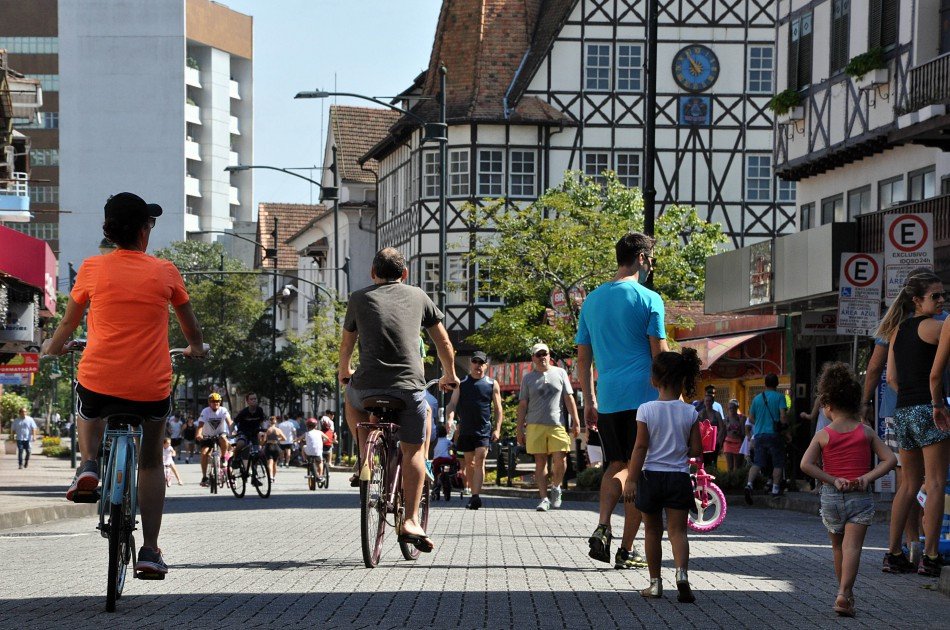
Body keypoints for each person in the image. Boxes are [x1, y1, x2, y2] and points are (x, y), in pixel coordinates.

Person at [42, 191, 207, 577]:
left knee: (87, 400)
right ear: (143, 230)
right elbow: (190, 326)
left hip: (100, 383)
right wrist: (196, 347)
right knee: (150, 461)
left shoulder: (91, 269)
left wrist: (53, 347)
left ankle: (88, 464)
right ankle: (149, 550)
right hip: (150, 388)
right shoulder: (165, 271)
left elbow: (67, 324)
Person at [338, 247, 459, 553]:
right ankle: (411, 520)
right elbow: (443, 341)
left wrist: (344, 371)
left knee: (350, 398)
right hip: (408, 388)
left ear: (372, 274)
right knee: (414, 452)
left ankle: (364, 452)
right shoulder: (419, 295)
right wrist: (450, 375)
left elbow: (347, 343)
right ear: (404, 274)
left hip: (367, 386)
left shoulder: (359, 298)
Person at [576, 231, 666, 568]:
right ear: (641, 258)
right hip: (645, 397)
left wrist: (589, 400)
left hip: (609, 398)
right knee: (637, 472)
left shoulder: (592, 300)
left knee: (615, 465)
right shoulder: (649, 298)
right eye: (650, 260)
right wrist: (677, 397)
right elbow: (660, 354)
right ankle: (627, 550)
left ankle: (603, 525)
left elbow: (583, 360)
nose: (650, 266)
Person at [800, 362, 897, 617]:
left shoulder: (823, 434)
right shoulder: (866, 432)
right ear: (856, 405)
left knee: (837, 548)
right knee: (852, 548)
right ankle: (845, 593)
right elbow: (890, 460)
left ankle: (843, 592)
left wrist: (831, 479)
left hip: (832, 497)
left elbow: (806, 464)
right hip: (860, 496)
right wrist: (867, 478)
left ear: (828, 406)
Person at [863, 268, 944, 564]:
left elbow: (891, 377)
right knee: (934, 482)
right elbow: (935, 375)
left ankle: (893, 552)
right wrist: (936, 403)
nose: (942, 300)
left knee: (907, 484)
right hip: (930, 409)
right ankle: (931, 556)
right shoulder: (939, 327)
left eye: (943, 294)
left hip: (902, 412)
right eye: (935, 296)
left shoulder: (896, 330)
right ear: (917, 300)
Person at [623, 348, 703, 603]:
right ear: (682, 380)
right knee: (678, 532)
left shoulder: (646, 410)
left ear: (655, 379)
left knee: (652, 532)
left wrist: (632, 479)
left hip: (650, 477)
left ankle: (655, 583)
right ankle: (681, 575)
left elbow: (640, 447)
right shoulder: (690, 412)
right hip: (678, 477)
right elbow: (697, 451)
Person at [516, 342, 581, 512]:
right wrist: (519, 429)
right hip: (535, 424)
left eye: (544, 353)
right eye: (538, 354)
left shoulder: (560, 372)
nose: (542, 357)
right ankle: (544, 498)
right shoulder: (528, 378)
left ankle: (556, 487)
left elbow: (569, 398)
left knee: (561, 458)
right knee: (540, 462)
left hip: (557, 423)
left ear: (549, 355)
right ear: (533, 358)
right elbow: (523, 404)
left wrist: (575, 420)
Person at [445, 351, 504, 510]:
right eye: (475, 362)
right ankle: (472, 493)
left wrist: (497, 429)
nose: (478, 365)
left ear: (486, 365)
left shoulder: (492, 384)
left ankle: (476, 496)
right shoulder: (461, 383)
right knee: (470, 463)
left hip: (483, 429)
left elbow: (498, 409)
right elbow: (452, 404)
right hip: (466, 429)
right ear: (471, 363)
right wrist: (449, 419)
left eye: (481, 363)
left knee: (480, 459)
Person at [743, 373, 788, 502]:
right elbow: (783, 416)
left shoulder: (757, 399)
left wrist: (760, 422)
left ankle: (749, 484)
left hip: (759, 435)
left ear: (765, 384)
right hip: (774, 435)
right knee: (778, 463)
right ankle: (775, 489)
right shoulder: (780, 397)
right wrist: (784, 426)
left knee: (757, 462)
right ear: (777, 384)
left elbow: (750, 418)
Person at [196, 392, 231, 487]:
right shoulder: (205, 411)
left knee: (223, 438)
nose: (215, 403)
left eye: (217, 401)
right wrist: (199, 434)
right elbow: (200, 425)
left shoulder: (223, 410)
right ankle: (204, 477)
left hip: (220, 434)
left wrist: (233, 431)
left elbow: (229, 422)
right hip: (208, 436)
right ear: (209, 402)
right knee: (204, 454)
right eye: (213, 401)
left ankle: (223, 457)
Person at [232, 392, 266, 458]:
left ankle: (256, 465)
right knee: (240, 444)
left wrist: (263, 429)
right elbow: (234, 423)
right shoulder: (243, 412)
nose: (254, 400)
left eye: (255, 398)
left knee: (258, 452)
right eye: (251, 399)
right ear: (247, 401)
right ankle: (235, 458)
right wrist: (231, 433)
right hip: (243, 432)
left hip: (254, 433)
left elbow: (261, 421)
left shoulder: (260, 410)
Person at [696, 393, 723, 470]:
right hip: (704, 442)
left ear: (712, 402)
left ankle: (714, 476)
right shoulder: (701, 413)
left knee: (714, 461)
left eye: (709, 401)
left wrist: (718, 439)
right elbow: (698, 427)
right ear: (704, 402)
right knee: (704, 461)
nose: (708, 402)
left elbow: (721, 428)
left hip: (714, 441)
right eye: (706, 401)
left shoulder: (717, 414)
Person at [722, 400, 745, 471]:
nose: (731, 410)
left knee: (738, 467)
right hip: (728, 442)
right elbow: (723, 432)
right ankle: (729, 480)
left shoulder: (741, 418)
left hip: (738, 442)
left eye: (733, 408)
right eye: (729, 408)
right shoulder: (726, 419)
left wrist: (738, 432)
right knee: (730, 466)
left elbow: (744, 433)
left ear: (737, 408)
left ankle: (737, 480)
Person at [263, 416, 285, 483]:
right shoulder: (278, 430)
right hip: (276, 446)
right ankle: (274, 477)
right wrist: (277, 439)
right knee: (275, 464)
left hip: (269, 446)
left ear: (269, 422)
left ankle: (271, 477)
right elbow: (284, 438)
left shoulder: (267, 430)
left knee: (269, 463)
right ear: (275, 422)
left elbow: (264, 440)